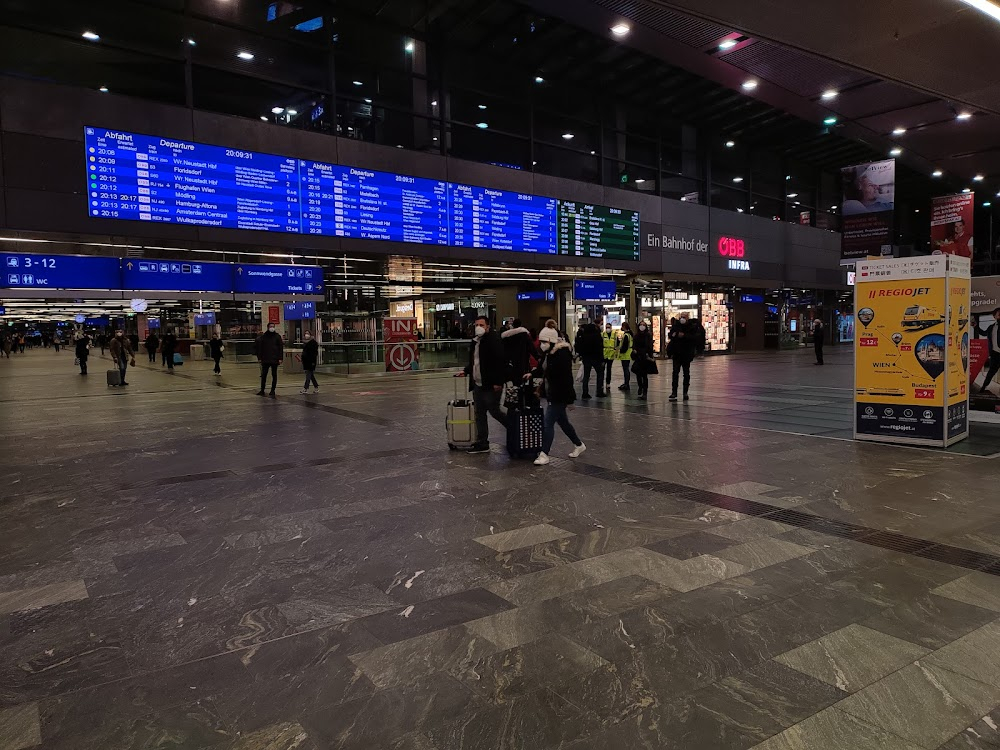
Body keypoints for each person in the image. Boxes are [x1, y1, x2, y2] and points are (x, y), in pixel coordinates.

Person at [530, 325, 585, 466]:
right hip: (552, 393)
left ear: (552, 341)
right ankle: (579, 444)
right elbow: (543, 369)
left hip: (558, 395)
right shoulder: (549, 354)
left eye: (544, 342)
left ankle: (544, 453)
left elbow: (567, 378)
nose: (541, 344)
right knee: (563, 422)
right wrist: (531, 374)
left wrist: (569, 399)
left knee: (548, 423)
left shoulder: (561, 355)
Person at [463, 315, 509, 454]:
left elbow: (500, 362)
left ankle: (514, 428)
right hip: (478, 383)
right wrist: (466, 370)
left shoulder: (494, 341)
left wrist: (498, 382)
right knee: (479, 413)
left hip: (491, 384)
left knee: (494, 411)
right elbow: (475, 361)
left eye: (482, 325)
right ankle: (482, 443)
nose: (479, 327)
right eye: (477, 325)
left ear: (488, 326)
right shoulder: (476, 341)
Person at [667, 312, 703, 401]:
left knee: (686, 374)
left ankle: (685, 392)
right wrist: (674, 335)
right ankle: (674, 392)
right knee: (675, 373)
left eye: (684, 317)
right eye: (681, 317)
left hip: (686, 354)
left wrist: (684, 336)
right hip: (676, 354)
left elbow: (695, 338)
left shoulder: (692, 327)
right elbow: (671, 335)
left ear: (687, 318)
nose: (682, 319)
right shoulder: (676, 326)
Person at [574, 315, 605, 399]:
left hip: (586, 358)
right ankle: (599, 391)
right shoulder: (597, 336)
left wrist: (581, 356)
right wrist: (602, 359)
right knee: (600, 374)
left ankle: (585, 392)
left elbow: (580, 347)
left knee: (586, 376)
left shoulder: (584, 337)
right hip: (596, 358)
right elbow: (600, 348)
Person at [501, 318, 536, 384]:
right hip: (523, 362)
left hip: (511, 363)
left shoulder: (506, 337)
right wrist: (538, 357)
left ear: (513, 325)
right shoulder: (525, 335)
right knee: (523, 381)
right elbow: (532, 348)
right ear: (521, 325)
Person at [256, 323, 284, 397]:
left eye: (273, 327)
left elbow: (280, 348)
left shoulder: (277, 337)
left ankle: (273, 390)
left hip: (274, 359)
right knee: (264, 375)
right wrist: (259, 357)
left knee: (274, 375)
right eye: (271, 326)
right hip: (265, 359)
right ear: (268, 327)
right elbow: (260, 348)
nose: (272, 328)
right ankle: (262, 390)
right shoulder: (264, 337)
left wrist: (280, 358)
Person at [977, 308, 1000, 395]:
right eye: (999, 315)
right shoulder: (991, 327)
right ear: (994, 317)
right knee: (990, 373)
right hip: (995, 354)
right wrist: (975, 326)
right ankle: (983, 388)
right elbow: (983, 333)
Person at [632, 320, 654, 400]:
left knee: (644, 376)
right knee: (638, 374)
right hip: (638, 357)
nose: (642, 326)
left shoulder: (648, 335)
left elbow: (649, 346)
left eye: (643, 325)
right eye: (640, 325)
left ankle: (645, 392)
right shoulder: (636, 336)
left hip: (645, 357)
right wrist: (635, 351)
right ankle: (640, 386)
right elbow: (634, 345)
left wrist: (649, 354)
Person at [601, 322, 617, 394]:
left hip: (611, 354)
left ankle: (608, 383)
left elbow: (617, 343)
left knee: (609, 369)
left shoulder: (614, 335)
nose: (608, 329)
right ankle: (601, 383)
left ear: (611, 328)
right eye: (606, 327)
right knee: (602, 369)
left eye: (609, 327)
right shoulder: (603, 334)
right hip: (604, 354)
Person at [617, 322, 633, 392]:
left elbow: (625, 346)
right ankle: (626, 383)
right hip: (628, 354)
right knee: (626, 369)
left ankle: (626, 384)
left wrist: (621, 351)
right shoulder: (630, 334)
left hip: (625, 354)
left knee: (625, 369)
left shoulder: (626, 335)